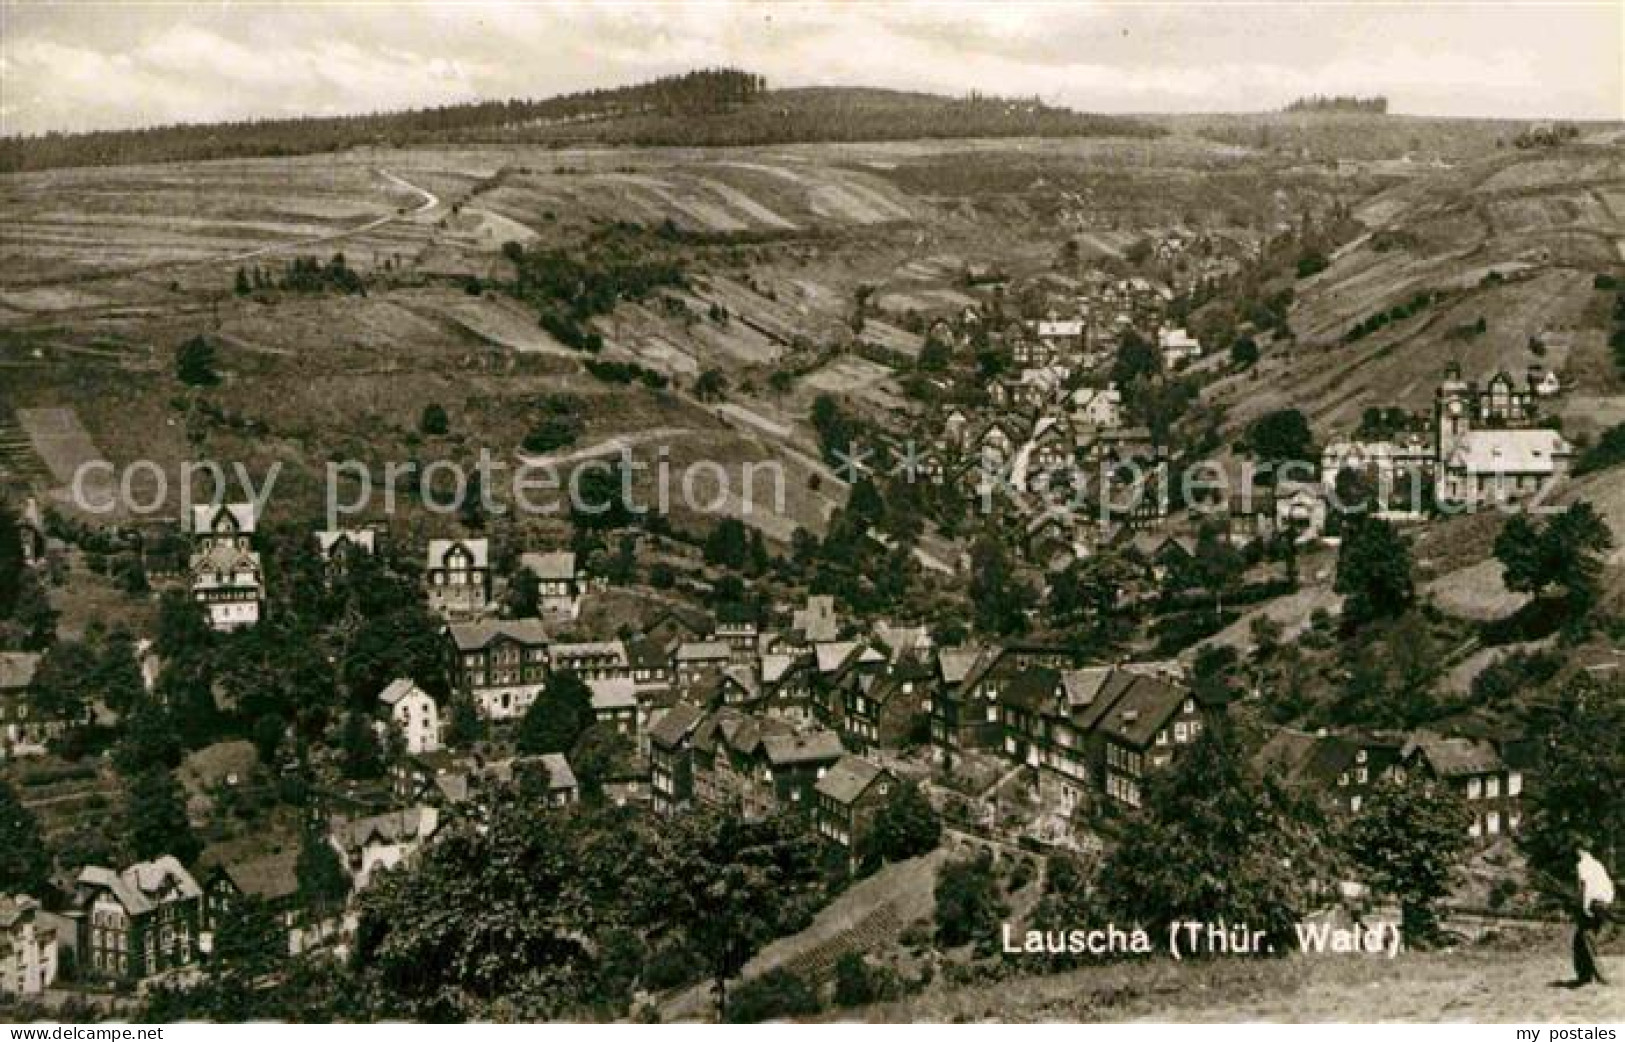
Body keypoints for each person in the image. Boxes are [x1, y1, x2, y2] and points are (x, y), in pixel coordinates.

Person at [1573, 849, 1615, 986]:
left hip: (1593, 904)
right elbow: (1609, 885)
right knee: (1580, 940)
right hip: (1604, 904)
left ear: (1580, 851)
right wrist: (1608, 902)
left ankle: (1600, 977)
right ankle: (1585, 976)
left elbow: (1584, 887)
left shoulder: (1582, 865)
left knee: (1587, 938)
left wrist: (1584, 906)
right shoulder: (1598, 865)